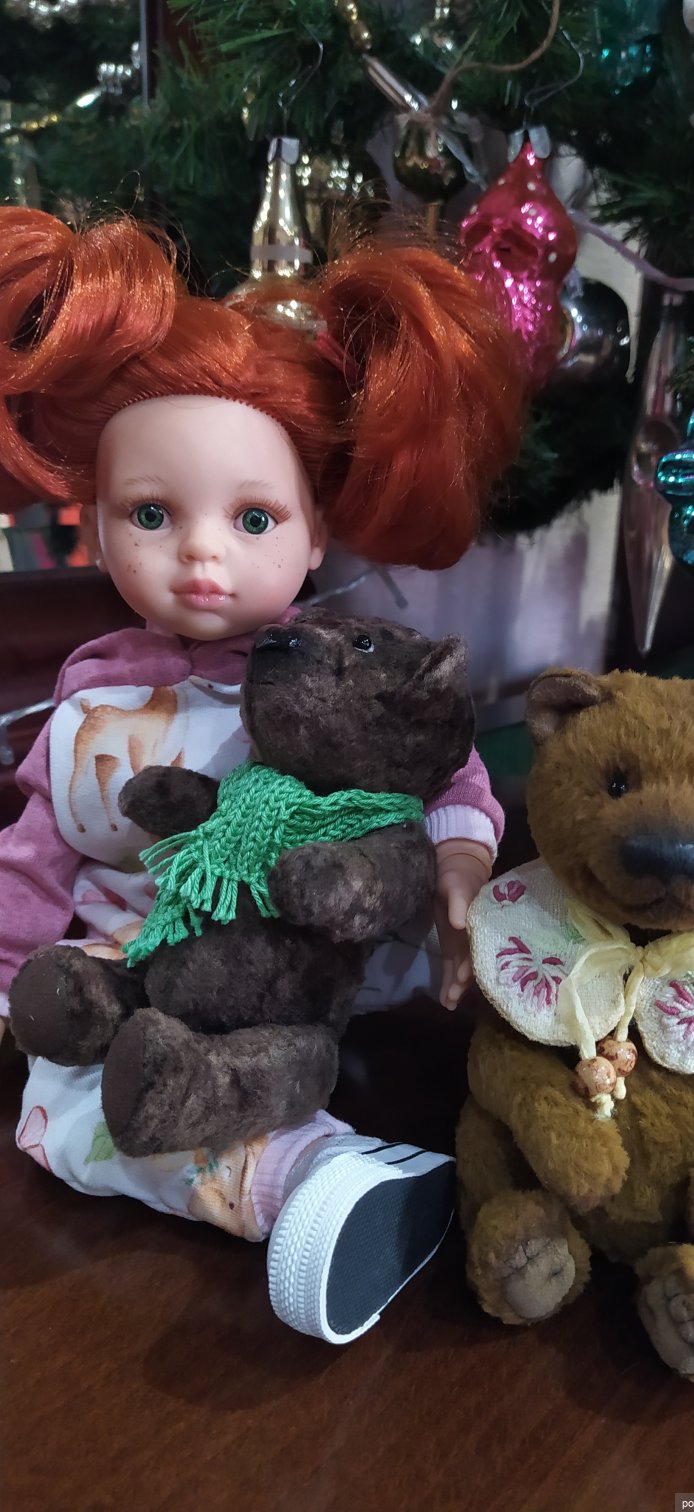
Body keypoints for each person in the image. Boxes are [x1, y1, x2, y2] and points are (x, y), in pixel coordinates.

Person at [0, 207, 523, 1344]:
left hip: (297, 974)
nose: (201, 553)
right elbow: (34, 857)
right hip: (124, 972)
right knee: (62, 1112)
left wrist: (461, 862)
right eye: (151, 514)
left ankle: (305, 1177)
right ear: (95, 521)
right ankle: (314, 1177)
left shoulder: (342, 669)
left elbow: (445, 767)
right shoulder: (91, 696)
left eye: (252, 518)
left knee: (109, 1111)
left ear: (316, 532)